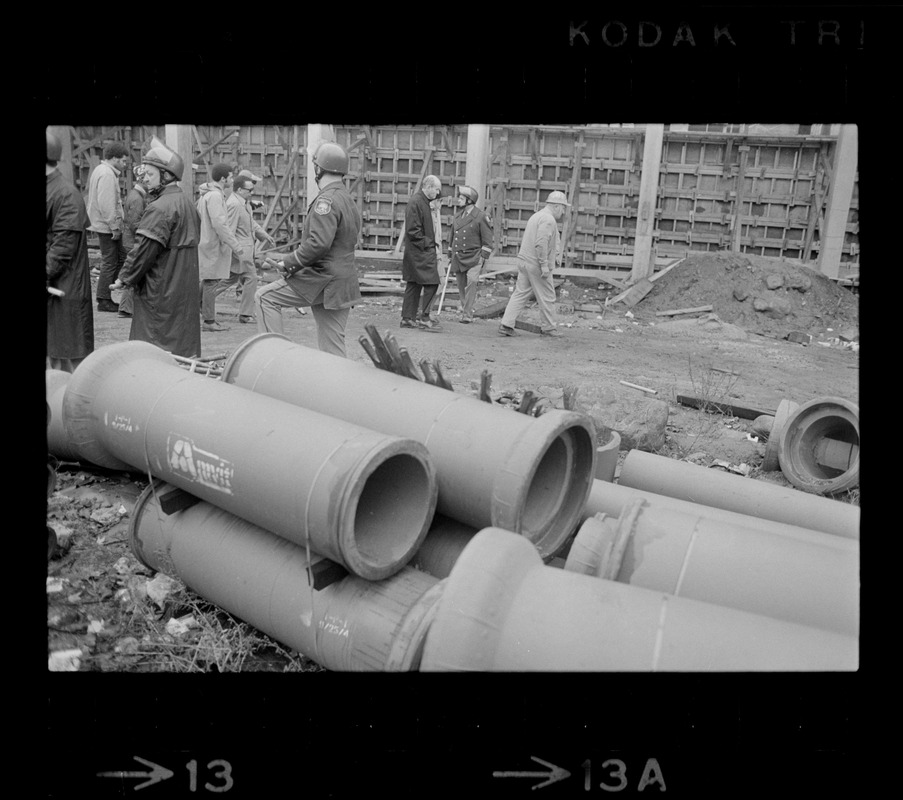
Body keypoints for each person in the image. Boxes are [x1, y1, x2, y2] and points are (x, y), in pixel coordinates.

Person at [256, 141, 362, 358]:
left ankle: (273, 359)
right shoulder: (347, 199)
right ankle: (338, 388)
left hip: (321, 279)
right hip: (343, 282)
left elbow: (319, 243)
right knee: (332, 347)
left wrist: (289, 262)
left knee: (264, 297)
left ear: (319, 168)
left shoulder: (326, 200)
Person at [109, 139, 202, 358]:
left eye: (150, 175)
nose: (145, 179)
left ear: (166, 176)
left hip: (161, 288)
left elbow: (143, 252)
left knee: (154, 348)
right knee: (182, 344)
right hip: (183, 288)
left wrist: (124, 278)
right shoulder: (187, 203)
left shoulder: (159, 209)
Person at [46, 129, 93, 372]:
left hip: (65, 288)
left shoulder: (65, 194)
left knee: (70, 361)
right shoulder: (53, 189)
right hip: (55, 287)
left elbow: (62, 249)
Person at [498, 190, 571, 338]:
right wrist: (544, 265)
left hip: (524, 261)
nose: (563, 212)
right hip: (536, 264)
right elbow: (540, 243)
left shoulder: (536, 216)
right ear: (556, 206)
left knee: (520, 293)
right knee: (547, 296)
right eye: (563, 208)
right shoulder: (548, 220)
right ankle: (549, 328)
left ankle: (506, 324)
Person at [214, 175, 275, 323]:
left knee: (229, 279)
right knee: (251, 278)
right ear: (240, 189)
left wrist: (264, 234)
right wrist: (235, 249)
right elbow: (229, 229)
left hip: (245, 250)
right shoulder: (234, 205)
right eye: (250, 190)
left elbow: (251, 223)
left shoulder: (244, 203)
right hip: (240, 251)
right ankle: (245, 314)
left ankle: (201, 298)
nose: (252, 192)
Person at [197, 163, 243, 331]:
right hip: (214, 244)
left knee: (208, 280)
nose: (232, 179)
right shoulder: (215, 196)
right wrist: (235, 244)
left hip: (209, 242)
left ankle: (197, 311)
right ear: (224, 179)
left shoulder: (207, 194)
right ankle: (209, 321)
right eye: (231, 177)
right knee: (211, 282)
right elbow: (220, 224)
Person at [86, 141, 130, 312]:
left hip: (102, 223)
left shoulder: (101, 170)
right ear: (113, 158)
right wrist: (115, 227)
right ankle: (104, 299)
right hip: (106, 226)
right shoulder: (107, 175)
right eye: (123, 160)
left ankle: (106, 295)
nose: (124, 164)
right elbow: (106, 204)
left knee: (116, 259)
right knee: (110, 262)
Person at [400, 174, 443, 331]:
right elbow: (413, 230)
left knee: (414, 284)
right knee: (432, 283)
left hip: (416, 251)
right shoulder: (417, 202)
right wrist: (429, 244)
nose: (438, 193)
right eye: (436, 189)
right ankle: (424, 318)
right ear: (429, 187)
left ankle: (407, 318)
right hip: (421, 251)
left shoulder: (420, 201)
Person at [448, 184, 494, 323]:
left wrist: (483, 258)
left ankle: (467, 314)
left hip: (474, 256)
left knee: (472, 281)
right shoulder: (457, 216)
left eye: (462, 198)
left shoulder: (480, 216)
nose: (459, 200)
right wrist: (450, 254)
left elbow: (487, 240)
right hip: (459, 257)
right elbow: (452, 237)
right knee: (461, 285)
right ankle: (465, 310)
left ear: (469, 200)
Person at [117, 165, 148, 318]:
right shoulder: (137, 198)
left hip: (130, 240)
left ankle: (127, 307)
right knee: (134, 274)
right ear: (142, 180)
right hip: (133, 241)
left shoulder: (135, 195)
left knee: (134, 274)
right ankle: (126, 307)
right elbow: (134, 222)